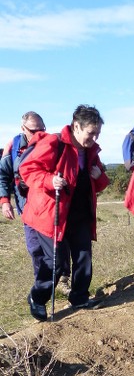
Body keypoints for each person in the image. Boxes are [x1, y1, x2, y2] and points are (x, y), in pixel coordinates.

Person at [19, 105, 109, 321]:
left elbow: (99, 183)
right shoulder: (54, 143)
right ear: (76, 126)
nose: (94, 138)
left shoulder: (90, 151)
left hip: (78, 213)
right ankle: (37, 298)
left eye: (97, 133)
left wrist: (99, 177)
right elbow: (28, 169)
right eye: (91, 132)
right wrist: (50, 180)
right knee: (56, 262)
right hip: (50, 213)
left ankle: (79, 297)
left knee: (83, 256)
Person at [0, 112, 72, 292]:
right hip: (27, 207)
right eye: (34, 130)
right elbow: (3, 175)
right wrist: (4, 201)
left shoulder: (51, 143)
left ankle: (63, 280)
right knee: (35, 249)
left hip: (49, 205)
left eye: (42, 129)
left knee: (59, 244)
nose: (39, 133)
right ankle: (42, 287)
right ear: (22, 128)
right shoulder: (13, 148)